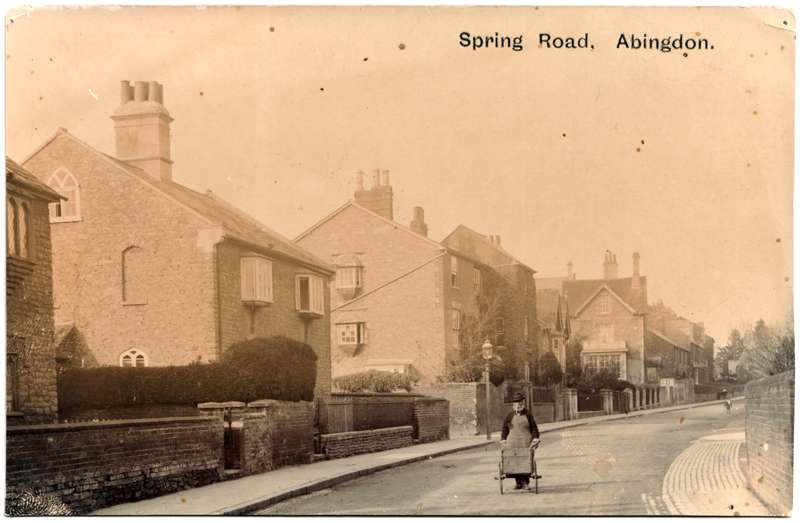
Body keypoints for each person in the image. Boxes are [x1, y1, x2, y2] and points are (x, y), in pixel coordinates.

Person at [500, 392, 541, 490]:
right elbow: (505, 428)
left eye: (520, 403)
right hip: (512, 442)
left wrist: (535, 438)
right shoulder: (509, 415)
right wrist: (503, 439)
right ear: (513, 405)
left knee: (525, 461)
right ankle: (518, 483)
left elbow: (534, 428)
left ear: (523, 403)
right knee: (514, 462)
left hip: (526, 442)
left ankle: (525, 482)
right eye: (516, 404)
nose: (518, 406)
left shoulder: (528, 415)